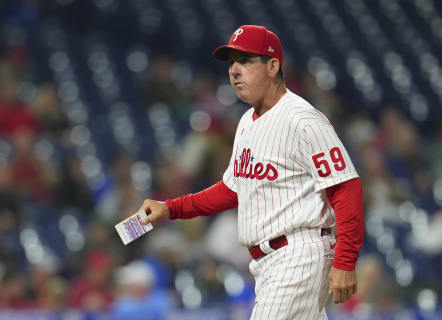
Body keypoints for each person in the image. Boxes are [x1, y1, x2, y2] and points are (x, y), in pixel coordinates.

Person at [140, 25, 364, 319]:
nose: (234, 70)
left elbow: (346, 188)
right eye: (232, 62)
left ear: (273, 66)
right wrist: (171, 208)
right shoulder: (247, 121)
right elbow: (232, 190)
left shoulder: (303, 119)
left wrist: (345, 261)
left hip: (298, 254)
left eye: (245, 61)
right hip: (267, 263)